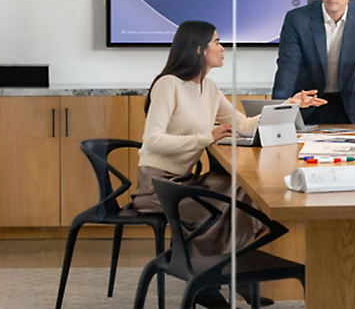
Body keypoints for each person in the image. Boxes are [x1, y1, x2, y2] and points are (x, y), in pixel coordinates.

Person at [133, 20, 324, 308]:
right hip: (158, 185)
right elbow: (153, 140)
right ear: (199, 49)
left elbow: (244, 124)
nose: (223, 48)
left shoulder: (208, 87)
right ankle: (212, 279)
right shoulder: (168, 85)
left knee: (243, 190)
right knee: (225, 202)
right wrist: (205, 136)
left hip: (184, 180)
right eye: (217, 42)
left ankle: (228, 274)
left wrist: (292, 103)